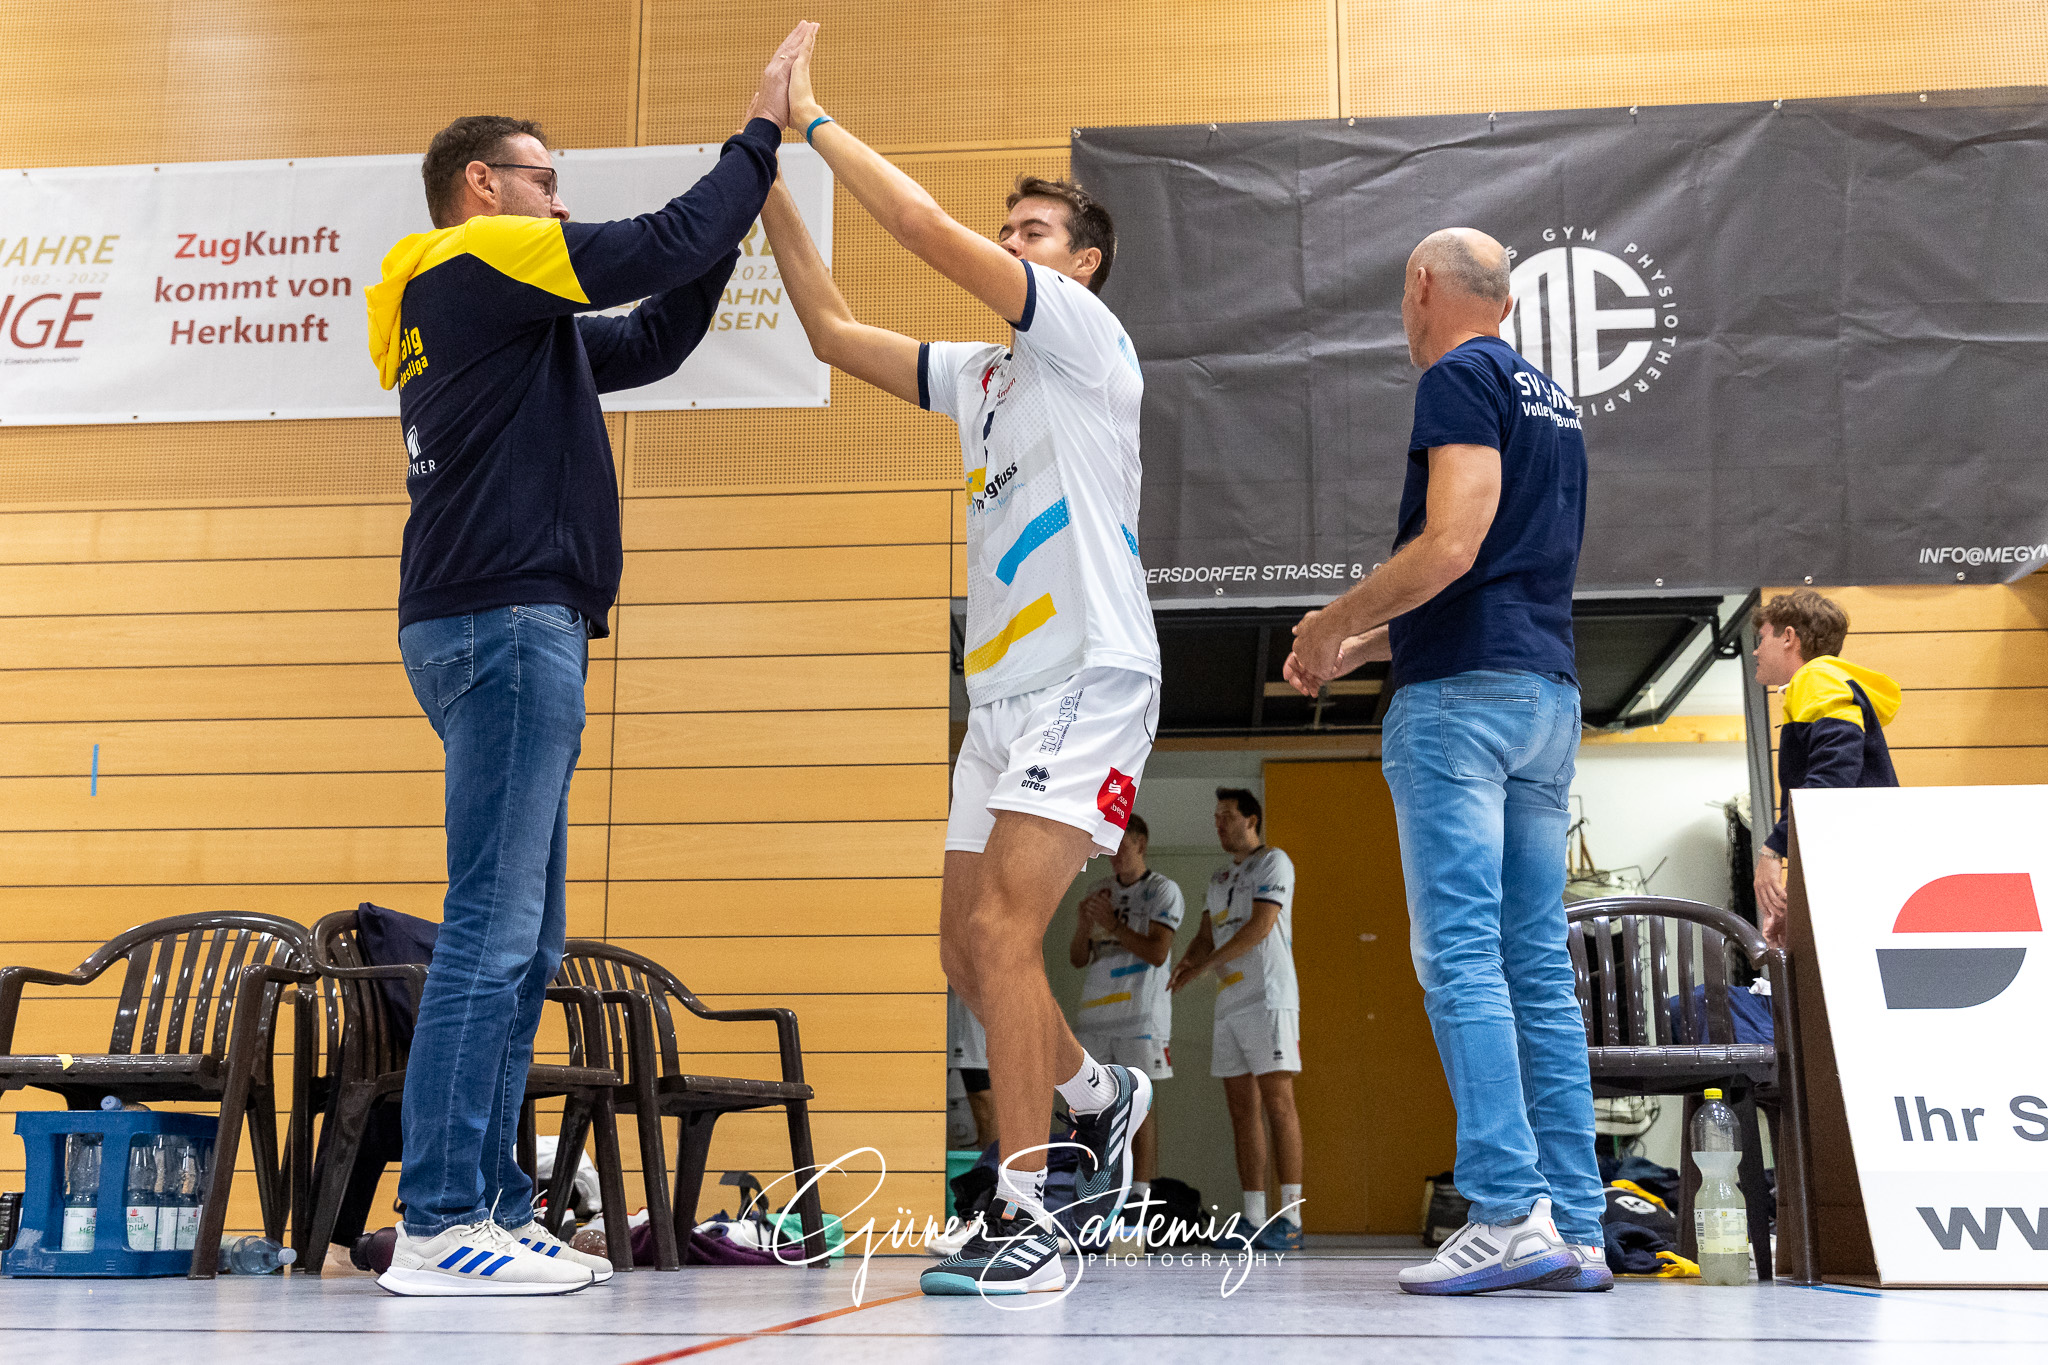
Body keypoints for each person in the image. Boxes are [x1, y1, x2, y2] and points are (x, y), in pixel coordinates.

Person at [359, 26, 809, 1297]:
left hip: (500, 622)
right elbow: (655, 243)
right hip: (502, 623)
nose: (559, 196)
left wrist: (736, 224)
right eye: (543, 177)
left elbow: (654, 332)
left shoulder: (511, 326)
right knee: (492, 936)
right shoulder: (470, 258)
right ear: (483, 187)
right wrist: (758, 136)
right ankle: (444, 1215)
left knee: (530, 940)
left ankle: (493, 1201)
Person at [758, 25, 1159, 1297]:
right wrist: (758, 168)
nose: (1011, 241)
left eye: (1032, 231)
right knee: (963, 949)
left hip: (1089, 675)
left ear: (1080, 265)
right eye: (1014, 227)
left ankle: (1031, 1215)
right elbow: (825, 329)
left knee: (1001, 926)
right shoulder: (982, 374)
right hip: (996, 697)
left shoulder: (1086, 340)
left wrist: (813, 117)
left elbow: (927, 230)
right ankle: (1097, 1096)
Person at [1282, 228, 1606, 1294]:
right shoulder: (1550, 399)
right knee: (1534, 970)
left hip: (1459, 711)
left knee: (1461, 956)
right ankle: (1574, 1221)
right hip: (1543, 698)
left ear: (1420, 286)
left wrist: (1331, 620)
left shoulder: (1457, 375)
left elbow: (1452, 545)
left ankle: (1506, 1211)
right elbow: (1490, 573)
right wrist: (1364, 638)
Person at [1167, 788, 1303, 1252]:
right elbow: (1207, 934)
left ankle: (1291, 1219)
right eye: (1216, 817)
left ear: (1252, 820)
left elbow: (1260, 925)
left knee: (1278, 1104)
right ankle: (1253, 1218)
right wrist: (1188, 962)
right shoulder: (1219, 875)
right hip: (1229, 1003)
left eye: (1227, 817)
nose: (1219, 825)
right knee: (1242, 1111)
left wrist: (1205, 967)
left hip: (1268, 997)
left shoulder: (1274, 862)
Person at [1750, 589, 1901, 947]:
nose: (1755, 651)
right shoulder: (1820, 683)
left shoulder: (1816, 678)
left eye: (1761, 639)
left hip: (1858, 860)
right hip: (1860, 858)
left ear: (1788, 638)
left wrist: (1771, 852)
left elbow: (1832, 779)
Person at [1069, 813, 1185, 1235]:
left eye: (1121, 844)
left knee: (1141, 1108)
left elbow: (1157, 952)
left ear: (1141, 842)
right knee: (1092, 1109)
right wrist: (1085, 924)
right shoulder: (1097, 890)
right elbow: (1078, 958)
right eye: (1108, 846)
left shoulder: (1162, 890)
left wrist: (1114, 926)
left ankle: (1141, 1198)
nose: (1113, 854)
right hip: (1094, 1019)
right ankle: (1095, 1195)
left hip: (1141, 1019)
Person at [947, 986, 997, 1150]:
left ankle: (990, 1167)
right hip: (936, 1007)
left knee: (982, 1098)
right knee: (929, 1102)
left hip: (975, 1014)